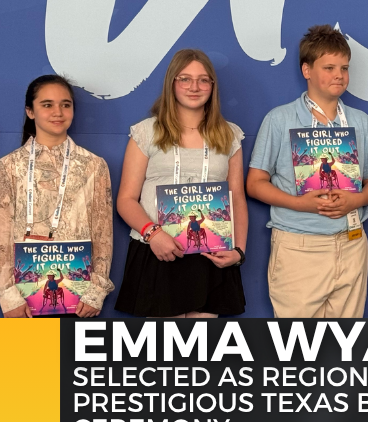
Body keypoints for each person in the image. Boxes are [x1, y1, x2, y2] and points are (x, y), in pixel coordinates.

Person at [247, 25, 368, 318]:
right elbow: (256, 183)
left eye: (344, 68)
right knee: (299, 346)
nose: (339, 75)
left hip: (351, 242)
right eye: (329, 67)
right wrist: (300, 203)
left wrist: (356, 200)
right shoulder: (280, 119)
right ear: (306, 70)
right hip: (299, 245)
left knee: (344, 345)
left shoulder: (361, 122)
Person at [115, 49, 248, 318]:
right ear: (171, 84)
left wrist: (239, 251)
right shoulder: (146, 132)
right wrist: (154, 234)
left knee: (203, 354)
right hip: (157, 251)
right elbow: (126, 199)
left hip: (212, 255)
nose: (194, 87)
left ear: (213, 85)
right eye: (184, 79)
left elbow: (236, 199)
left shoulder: (229, 134)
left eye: (203, 80)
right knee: (162, 356)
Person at [0, 75, 114, 318]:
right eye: (47, 104)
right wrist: (7, 295)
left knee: (74, 357)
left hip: (80, 299)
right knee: (29, 358)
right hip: (21, 300)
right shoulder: (8, 167)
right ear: (30, 111)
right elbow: (2, 232)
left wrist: (97, 290)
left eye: (65, 104)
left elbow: (103, 232)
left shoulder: (93, 165)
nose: (58, 112)